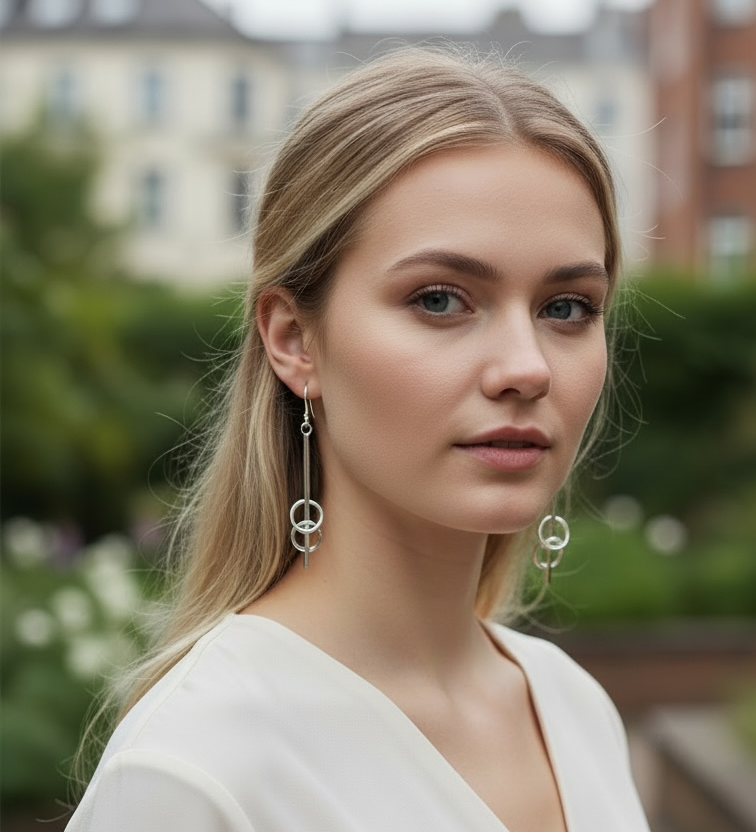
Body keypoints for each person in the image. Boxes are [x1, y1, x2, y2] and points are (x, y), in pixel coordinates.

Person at [68, 47, 651, 831]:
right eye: (440, 299)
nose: (526, 367)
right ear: (294, 340)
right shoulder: (197, 771)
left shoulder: (573, 706)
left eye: (567, 307)